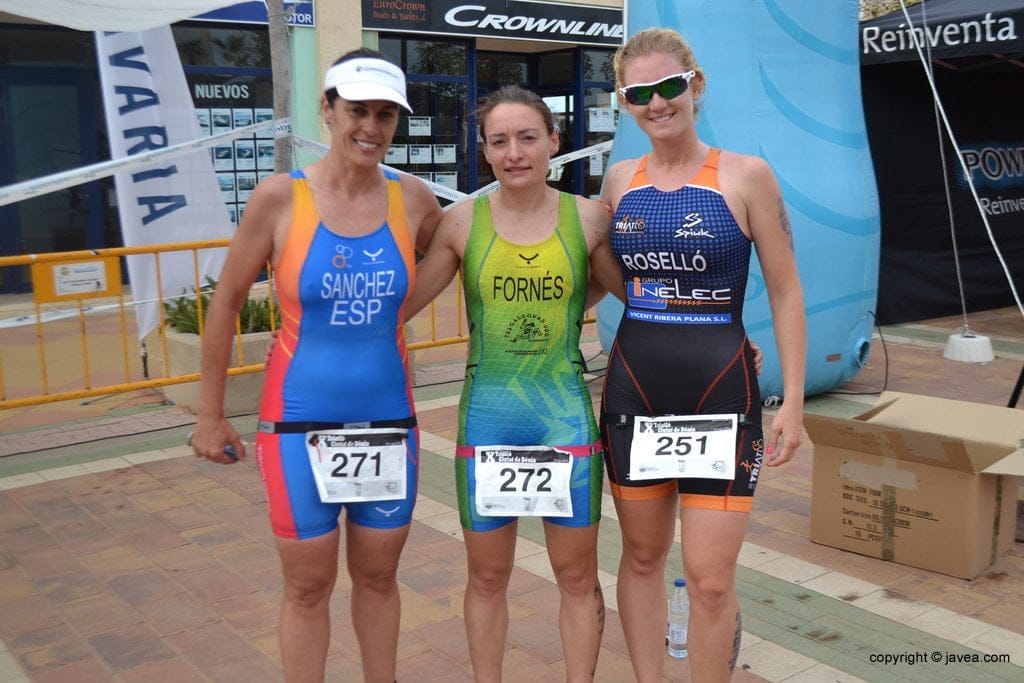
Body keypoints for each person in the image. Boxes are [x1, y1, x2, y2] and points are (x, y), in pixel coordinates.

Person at [190, 48, 443, 683]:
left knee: (379, 576)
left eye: (386, 114)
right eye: (357, 110)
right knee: (307, 584)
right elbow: (225, 303)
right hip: (296, 422)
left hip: (387, 421)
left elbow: (464, 252)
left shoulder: (413, 199)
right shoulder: (280, 198)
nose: (371, 127)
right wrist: (209, 415)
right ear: (327, 110)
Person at [598, 28, 807, 682]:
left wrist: (794, 402)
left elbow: (786, 292)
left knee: (711, 580)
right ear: (625, 103)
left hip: (721, 391)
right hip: (636, 390)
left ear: (696, 84)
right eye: (640, 93)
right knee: (641, 559)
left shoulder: (746, 176)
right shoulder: (618, 181)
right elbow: (612, 277)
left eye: (669, 86)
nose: (657, 103)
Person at [406, 85, 621, 682]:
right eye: (499, 141)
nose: (515, 153)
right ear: (484, 150)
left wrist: (724, 334)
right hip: (488, 421)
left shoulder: (588, 219)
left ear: (554, 140)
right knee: (486, 578)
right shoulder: (459, 224)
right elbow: (400, 306)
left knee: (576, 577)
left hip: (564, 421)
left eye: (528, 138)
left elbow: (641, 297)